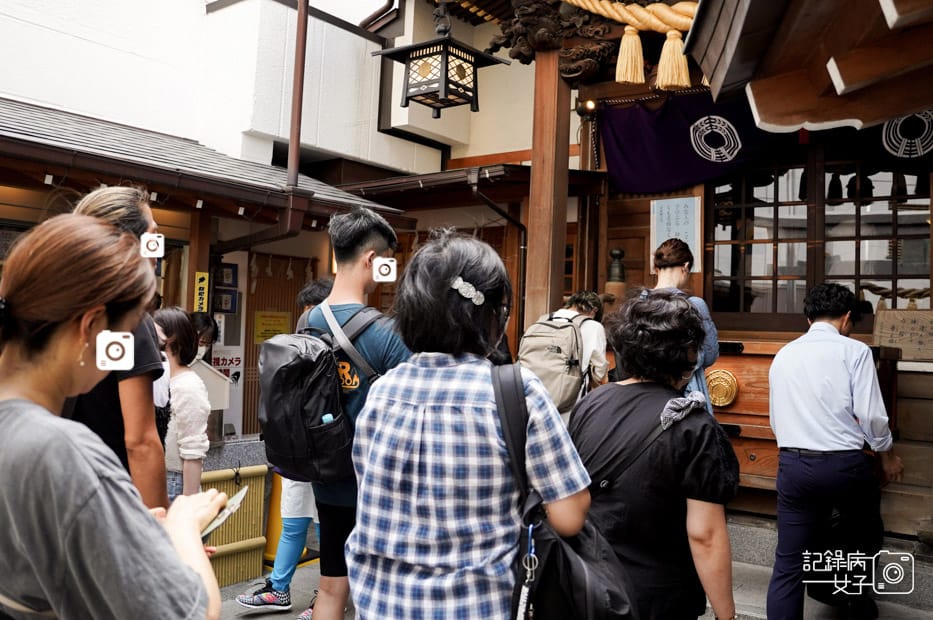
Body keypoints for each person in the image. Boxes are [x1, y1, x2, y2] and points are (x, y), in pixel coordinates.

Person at [346, 231, 591, 619]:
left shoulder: (382, 392)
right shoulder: (516, 391)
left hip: (379, 605)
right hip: (476, 607)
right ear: (488, 314)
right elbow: (570, 515)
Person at [0, 214, 227, 620]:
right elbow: (193, 614)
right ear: (89, 327)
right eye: (123, 334)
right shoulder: (64, 453)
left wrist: (119, 522)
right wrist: (182, 528)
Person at [570, 290, 739, 620]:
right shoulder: (694, 425)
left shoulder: (592, 403)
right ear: (686, 354)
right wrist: (726, 615)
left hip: (589, 585)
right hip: (657, 596)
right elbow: (705, 534)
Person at [766, 283, 904, 620]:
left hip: (794, 464)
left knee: (788, 564)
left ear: (808, 317)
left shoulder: (784, 354)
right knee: (862, 538)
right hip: (845, 466)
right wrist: (886, 454)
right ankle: (853, 603)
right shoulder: (854, 352)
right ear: (846, 318)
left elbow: (775, 418)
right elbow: (871, 415)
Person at [236, 277, 333, 613]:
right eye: (305, 314)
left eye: (314, 313)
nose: (307, 322)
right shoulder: (296, 347)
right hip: (295, 452)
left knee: (326, 531)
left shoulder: (340, 350)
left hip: (327, 456)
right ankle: (279, 590)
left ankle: (326, 597)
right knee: (292, 523)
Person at [70, 185, 169, 508]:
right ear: (128, 243)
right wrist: (162, 533)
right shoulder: (125, 318)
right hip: (105, 500)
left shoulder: (55, 309)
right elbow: (139, 441)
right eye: (153, 236)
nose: (158, 248)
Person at [652, 238, 719, 415]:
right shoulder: (694, 305)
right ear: (686, 266)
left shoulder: (637, 303)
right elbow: (710, 355)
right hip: (683, 393)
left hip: (643, 393)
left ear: (656, 268)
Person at [154, 307, 211, 503]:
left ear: (170, 340)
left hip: (175, 482)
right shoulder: (157, 379)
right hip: (157, 477)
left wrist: (189, 505)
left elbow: (193, 450)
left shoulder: (189, 385)